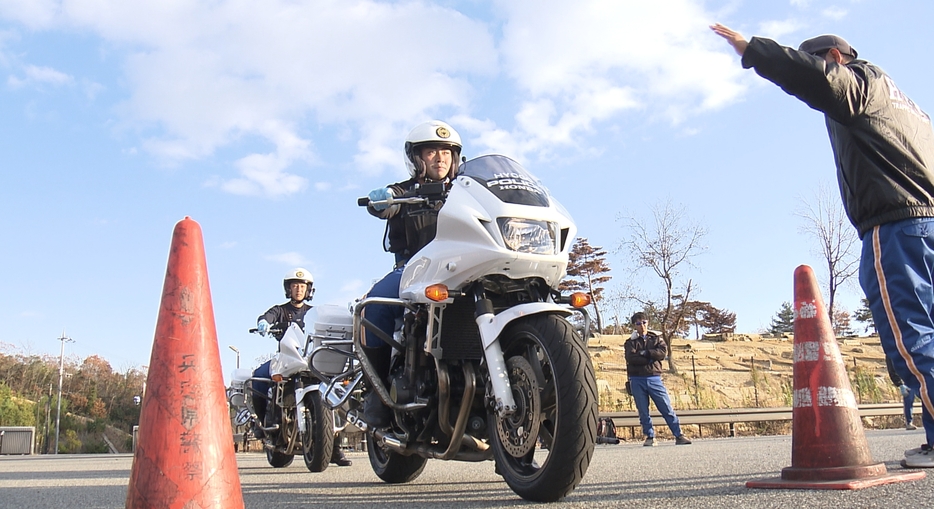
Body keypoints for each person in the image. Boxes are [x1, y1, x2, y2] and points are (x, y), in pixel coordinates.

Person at [711, 23, 934, 468]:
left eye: (817, 61)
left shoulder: (859, 83)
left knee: (914, 339)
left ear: (834, 57)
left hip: (896, 224)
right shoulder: (907, 106)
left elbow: (821, 81)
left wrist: (755, 51)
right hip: (927, 221)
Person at [361, 120, 463, 428]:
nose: (440, 158)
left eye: (446, 152)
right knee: (374, 306)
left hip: (463, 268)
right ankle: (376, 393)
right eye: (431, 151)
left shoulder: (466, 191)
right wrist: (382, 200)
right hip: (414, 270)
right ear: (417, 159)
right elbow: (383, 204)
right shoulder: (404, 191)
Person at [252, 268, 351, 466]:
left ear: (309, 290)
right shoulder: (280, 310)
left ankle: (336, 447)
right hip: (285, 359)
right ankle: (263, 424)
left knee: (337, 393)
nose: (298, 289)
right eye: (295, 286)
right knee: (257, 378)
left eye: (302, 286)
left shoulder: (314, 313)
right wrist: (263, 322)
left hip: (311, 360)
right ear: (288, 289)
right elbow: (267, 317)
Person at [623, 312, 692, 447]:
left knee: (666, 407)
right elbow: (631, 358)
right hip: (637, 379)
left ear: (648, 322)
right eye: (638, 323)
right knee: (643, 411)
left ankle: (679, 435)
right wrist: (649, 358)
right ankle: (649, 436)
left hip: (654, 378)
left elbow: (661, 353)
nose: (641, 325)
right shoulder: (630, 342)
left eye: (644, 322)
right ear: (634, 326)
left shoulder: (655, 339)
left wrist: (646, 353)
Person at [886, 356, 920, 431]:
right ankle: (909, 422)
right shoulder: (891, 351)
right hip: (906, 380)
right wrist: (900, 383)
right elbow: (892, 369)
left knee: (929, 398)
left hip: (918, 376)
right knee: (909, 399)